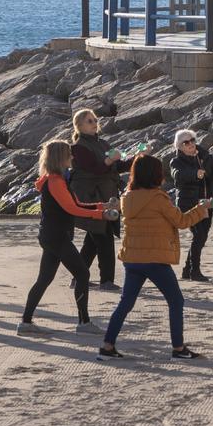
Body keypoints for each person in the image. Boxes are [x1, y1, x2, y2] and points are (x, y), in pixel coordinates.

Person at [99, 156, 211, 361]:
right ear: (156, 175)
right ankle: (178, 349)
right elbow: (181, 221)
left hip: (132, 258)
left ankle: (107, 346)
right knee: (176, 301)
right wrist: (201, 210)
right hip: (154, 259)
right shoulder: (158, 198)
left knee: (126, 303)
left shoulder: (127, 196)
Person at [19, 140, 113, 337]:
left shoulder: (56, 179)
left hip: (51, 236)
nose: (72, 157)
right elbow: (72, 209)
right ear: (60, 157)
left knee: (44, 279)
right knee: (82, 275)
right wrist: (100, 215)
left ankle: (25, 322)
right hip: (56, 237)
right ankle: (84, 322)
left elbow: (76, 204)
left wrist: (102, 207)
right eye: (69, 154)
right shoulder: (55, 181)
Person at [70, 109, 125, 292]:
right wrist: (110, 161)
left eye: (94, 120)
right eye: (89, 121)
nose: (94, 123)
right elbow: (94, 169)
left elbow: (117, 165)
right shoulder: (78, 147)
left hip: (106, 195)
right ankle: (106, 280)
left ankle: (78, 278)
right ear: (79, 126)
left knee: (93, 241)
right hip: (91, 198)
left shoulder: (102, 143)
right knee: (103, 238)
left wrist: (137, 159)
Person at [170, 128, 213, 282]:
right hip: (190, 204)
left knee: (202, 236)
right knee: (199, 235)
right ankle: (195, 271)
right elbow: (177, 176)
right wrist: (194, 174)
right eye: (186, 142)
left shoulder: (205, 156)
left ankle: (188, 269)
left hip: (207, 203)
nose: (191, 144)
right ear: (179, 146)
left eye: (192, 140)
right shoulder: (176, 161)